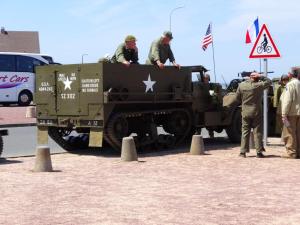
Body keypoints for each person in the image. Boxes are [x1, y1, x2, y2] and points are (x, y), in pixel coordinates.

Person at [235, 72, 272, 158]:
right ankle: (259, 152)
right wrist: (261, 76)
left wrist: (244, 102)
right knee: (257, 132)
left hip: (245, 111)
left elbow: (237, 98)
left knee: (245, 131)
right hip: (256, 112)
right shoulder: (258, 85)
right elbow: (269, 82)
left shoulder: (241, 85)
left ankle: (242, 152)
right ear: (256, 78)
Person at [281, 71, 300, 159]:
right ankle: (298, 152)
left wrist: (284, 113)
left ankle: (291, 153)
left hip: (291, 113)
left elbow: (287, 100)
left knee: (289, 133)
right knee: (298, 133)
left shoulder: (290, 85)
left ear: (290, 75)